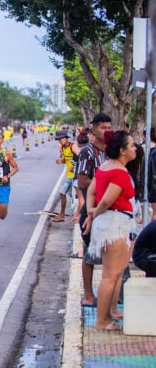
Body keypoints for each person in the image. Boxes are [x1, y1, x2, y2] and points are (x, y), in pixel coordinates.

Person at [83, 130, 136, 331]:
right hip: (114, 223)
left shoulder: (105, 167)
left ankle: (111, 311)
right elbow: (106, 200)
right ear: (122, 150)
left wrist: (91, 213)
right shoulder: (119, 172)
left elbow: (92, 192)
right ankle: (101, 320)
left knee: (116, 272)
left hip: (111, 222)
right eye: (131, 145)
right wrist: (95, 211)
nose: (134, 149)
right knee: (110, 274)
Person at [77, 113, 112, 307]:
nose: (106, 131)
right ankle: (88, 294)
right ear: (94, 129)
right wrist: (107, 187)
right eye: (103, 128)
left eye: (109, 128)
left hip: (110, 210)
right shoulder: (88, 152)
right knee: (90, 254)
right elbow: (82, 181)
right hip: (92, 210)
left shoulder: (112, 151)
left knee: (111, 254)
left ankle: (109, 295)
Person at [51, 130, 80, 222]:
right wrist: (61, 161)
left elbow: (81, 157)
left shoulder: (73, 146)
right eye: (59, 139)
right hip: (69, 175)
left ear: (66, 138)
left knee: (62, 192)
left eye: (61, 139)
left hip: (75, 175)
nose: (60, 141)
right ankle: (80, 212)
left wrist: (74, 165)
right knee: (73, 196)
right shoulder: (62, 148)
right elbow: (66, 159)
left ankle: (62, 214)